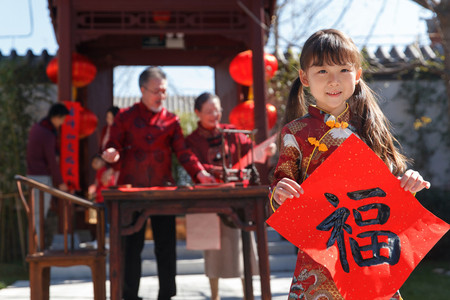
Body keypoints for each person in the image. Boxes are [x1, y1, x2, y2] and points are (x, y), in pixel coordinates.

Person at [269, 29, 431, 300]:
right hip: (320, 252)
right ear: (304, 77)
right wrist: (279, 192)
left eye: (343, 69)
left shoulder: (369, 127)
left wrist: (408, 183)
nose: (333, 80)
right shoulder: (294, 133)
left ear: (357, 75)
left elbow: (388, 190)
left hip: (367, 249)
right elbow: (280, 193)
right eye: (322, 71)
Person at [101, 67, 215, 300]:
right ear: (142, 90)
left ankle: (167, 295)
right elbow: (112, 144)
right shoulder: (124, 117)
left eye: (163, 91)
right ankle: (129, 295)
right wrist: (111, 153)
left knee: (166, 246)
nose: (161, 96)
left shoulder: (171, 120)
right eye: (156, 91)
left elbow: (183, 153)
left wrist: (200, 173)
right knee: (131, 247)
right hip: (132, 192)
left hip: (164, 190)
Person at [185, 92, 274, 300]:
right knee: (212, 251)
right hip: (209, 200)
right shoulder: (191, 140)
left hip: (237, 199)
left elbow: (251, 150)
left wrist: (267, 150)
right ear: (197, 113)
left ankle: (248, 295)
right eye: (208, 111)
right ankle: (214, 296)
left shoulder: (232, 132)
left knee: (244, 249)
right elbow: (191, 164)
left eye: (217, 110)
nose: (214, 114)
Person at [26, 102, 70, 241]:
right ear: (56, 117)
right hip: (41, 178)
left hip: (32, 176)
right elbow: (52, 161)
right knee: (38, 217)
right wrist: (61, 182)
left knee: (35, 216)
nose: (62, 123)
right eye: (62, 119)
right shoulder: (47, 134)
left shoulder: (37, 127)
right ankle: (36, 252)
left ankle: (34, 251)